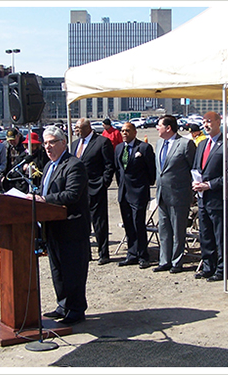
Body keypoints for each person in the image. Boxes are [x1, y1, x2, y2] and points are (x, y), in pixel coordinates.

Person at [35, 126, 91, 325]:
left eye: (52, 142)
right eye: (45, 143)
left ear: (63, 143)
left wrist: (44, 199)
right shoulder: (49, 166)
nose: (48, 147)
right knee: (57, 270)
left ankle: (76, 309)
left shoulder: (74, 165)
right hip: (53, 228)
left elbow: (72, 194)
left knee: (73, 271)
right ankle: (63, 305)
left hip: (72, 228)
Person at [192, 111, 228, 282]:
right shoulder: (202, 144)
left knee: (220, 237)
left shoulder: (227, 145)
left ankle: (222, 269)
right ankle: (208, 266)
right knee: (205, 235)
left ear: (219, 122)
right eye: (204, 122)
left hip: (219, 199)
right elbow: (197, 168)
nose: (206, 125)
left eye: (209, 121)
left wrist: (209, 184)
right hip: (203, 199)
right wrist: (196, 183)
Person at [153, 115, 196, 273]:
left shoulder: (185, 144)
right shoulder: (159, 143)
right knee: (163, 230)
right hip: (162, 194)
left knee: (178, 231)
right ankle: (164, 260)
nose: (157, 128)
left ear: (168, 128)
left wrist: (192, 193)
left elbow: (194, 169)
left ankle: (177, 262)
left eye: (159, 125)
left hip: (179, 195)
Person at [70, 118, 115, 265]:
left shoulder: (102, 142)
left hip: (96, 188)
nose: (76, 130)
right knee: (82, 223)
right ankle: (86, 253)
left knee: (99, 222)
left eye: (78, 128)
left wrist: (104, 183)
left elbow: (109, 165)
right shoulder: (75, 145)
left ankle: (104, 253)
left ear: (87, 127)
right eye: (75, 128)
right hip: (78, 190)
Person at [115, 122, 156, 269]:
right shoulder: (119, 148)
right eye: (122, 130)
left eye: (127, 130)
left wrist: (146, 184)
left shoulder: (144, 148)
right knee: (128, 224)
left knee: (138, 223)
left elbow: (151, 169)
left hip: (139, 192)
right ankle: (131, 254)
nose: (124, 133)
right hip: (124, 192)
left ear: (134, 132)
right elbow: (118, 170)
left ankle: (143, 255)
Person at [2, 128, 26, 192]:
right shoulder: (5, 145)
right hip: (9, 175)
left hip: (20, 176)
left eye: (13, 140)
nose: (12, 142)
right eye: (10, 140)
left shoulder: (24, 145)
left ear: (18, 136)